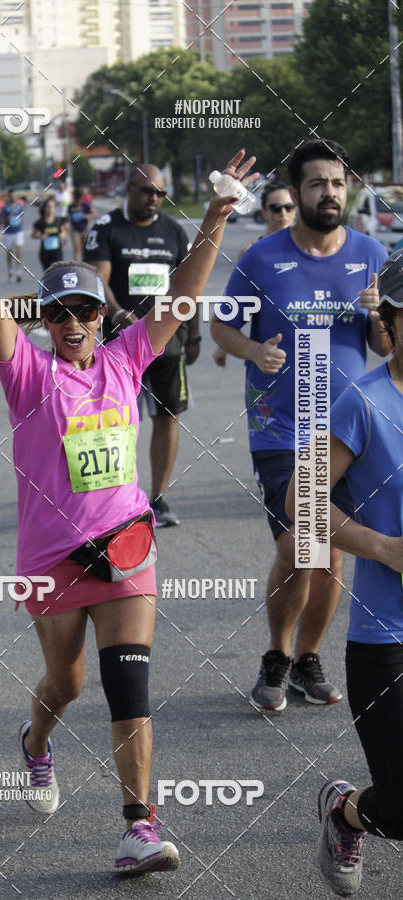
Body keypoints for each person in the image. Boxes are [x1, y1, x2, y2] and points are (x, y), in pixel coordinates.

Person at [0, 145, 257, 875]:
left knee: (128, 685)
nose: (73, 323)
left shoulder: (126, 359)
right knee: (66, 684)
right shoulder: (27, 374)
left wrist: (217, 217)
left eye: (85, 312)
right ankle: (35, 742)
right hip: (52, 562)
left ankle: (139, 825)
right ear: (45, 321)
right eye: (60, 313)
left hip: (127, 546)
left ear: (103, 317)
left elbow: (182, 297)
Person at [210, 138, 391, 714]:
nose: (329, 193)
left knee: (330, 554)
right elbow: (222, 328)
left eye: (337, 183)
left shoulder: (370, 253)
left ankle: (307, 658)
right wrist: (253, 350)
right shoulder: (262, 258)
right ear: (297, 192)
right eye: (317, 184)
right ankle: (277, 652)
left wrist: (377, 315)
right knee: (303, 544)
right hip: (281, 427)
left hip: (347, 431)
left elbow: (386, 347)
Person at [285, 252, 403, 898]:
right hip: (388, 638)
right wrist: (383, 548)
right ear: (391, 321)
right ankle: (345, 810)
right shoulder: (365, 402)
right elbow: (300, 498)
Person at [84, 164, 197, 527]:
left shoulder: (174, 231)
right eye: (147, 190)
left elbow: (188, 286)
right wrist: (116, 312)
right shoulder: (107, 228)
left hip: (169, 343)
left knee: (167, 417)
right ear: (129, 188)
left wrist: (194, 335)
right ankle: (113, 498)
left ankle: (159, 498)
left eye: (160, 193)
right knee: (115, 422)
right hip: (122, 345)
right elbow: (98, 278)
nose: (154, 198)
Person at [214, 180, 297, 368]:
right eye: (276, 208)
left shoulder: (307, 249)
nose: (283, 214)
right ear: (264, 212)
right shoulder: (251, 253)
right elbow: (235, 304)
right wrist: (223, 346)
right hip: (265, 349)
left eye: (289, 207)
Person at [32, 195, 68, 271]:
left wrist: (62, 235)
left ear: (55, 208)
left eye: (52, 206)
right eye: (48, 207)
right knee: (48, 273)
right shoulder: (40, 222)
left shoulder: (59, 221)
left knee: (57, 271)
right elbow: (33, 235)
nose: (50, 209)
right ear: (45, 208)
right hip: (45, 252)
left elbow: (64, 234)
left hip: (57, 251)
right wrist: (40, 236)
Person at [0, 189, 25, 281]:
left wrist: (21, 221)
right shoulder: (5, 207)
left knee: (19, 252)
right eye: (11, 196)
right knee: (10, 253)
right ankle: (10, 270)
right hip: (9, 232)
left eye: (15, 196)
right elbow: (0, 220)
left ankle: (19, 272)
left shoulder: (19, 206)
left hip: (18, 231)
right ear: (9, 197)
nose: (13, 197)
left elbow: (22, 216)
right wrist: (7, 218)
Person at [68, 186, 96, 262]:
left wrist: (84, 216)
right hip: (75, 229)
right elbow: (69, 217)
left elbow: (95, 215)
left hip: (85, 228)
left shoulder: (85, 205)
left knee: (85, 248)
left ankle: (86, 262)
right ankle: (77, 264)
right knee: (77, 248)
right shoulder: (71, 206)